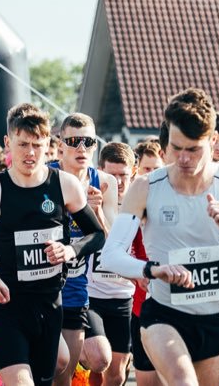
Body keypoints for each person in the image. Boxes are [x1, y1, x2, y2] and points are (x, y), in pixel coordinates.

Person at [98, 89, 219, 386]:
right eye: (176, 148)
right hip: (164, 314)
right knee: (182, 381)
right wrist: (152, 269)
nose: (183, 158)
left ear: (212, 142)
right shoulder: (146, 186)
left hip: (215, 318)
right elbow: (111, 254)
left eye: (193, 150)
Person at [0, 104, 108, 386]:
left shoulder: (65, 185)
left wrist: (70, 250)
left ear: (49, 145)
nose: (30, 152)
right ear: (8, 143)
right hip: (7, 305)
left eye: (37, 144)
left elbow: (97, 235)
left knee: (50, 373)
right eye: (23, 144)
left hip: (49, 304)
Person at [47, 114, 121, 386]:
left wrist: (98, 210)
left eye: (88, 142)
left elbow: (112, 243)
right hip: (43, 284)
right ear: (60, 145)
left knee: (69, 374)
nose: (81, 148)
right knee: (51, 364)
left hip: (78, 284)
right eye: (74, 141)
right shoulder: (45, 176)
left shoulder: (104, 182)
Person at [86, 142, 138, 386]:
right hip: (91, 296)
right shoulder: (87, 201)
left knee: (116, 375)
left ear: (134, 172)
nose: (117, 182)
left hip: (123, 298)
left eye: (123, 176)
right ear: (100, 171)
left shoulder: (139, 208)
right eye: (112, 175)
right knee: (98, 363)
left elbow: (118, 248)